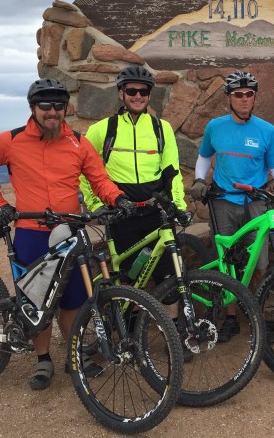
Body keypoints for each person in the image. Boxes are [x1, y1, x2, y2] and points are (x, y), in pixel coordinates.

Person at [0, 78, 137, 391]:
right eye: (45, 105)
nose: (52, 111)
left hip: (69, 231)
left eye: (58, 105)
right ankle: (42, 359)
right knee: (36, 302)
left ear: (65, 109)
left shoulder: (77, 142)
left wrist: (118, 199)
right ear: (33, 108)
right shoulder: (11, 141)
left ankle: (73, 355)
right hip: (32, 232)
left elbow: (99, 180)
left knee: (73, 299)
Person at [79, 64, 193, 359]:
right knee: (125, 280)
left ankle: (174, 338)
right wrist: (96, 205)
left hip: (155, 212)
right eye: (132, 91)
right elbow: (85, 170)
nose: (138, 96)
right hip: (121, 214)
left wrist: (178, 205)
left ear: (149, 95)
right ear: (121, 93)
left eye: (143, 92)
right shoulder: (102, 130)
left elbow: (171, 172)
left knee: (168, 277)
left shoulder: (160, 128)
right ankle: (125, 337)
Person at [190, 71, 274, 342]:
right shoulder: (215, 127)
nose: (244, 99)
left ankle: (259, 318)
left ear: (254, 97)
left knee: (260, 264)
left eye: (249, 94)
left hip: (256, 202)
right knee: (227, 262)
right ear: (229, 98)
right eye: (238, 95)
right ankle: (231, 318)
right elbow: (204, 157)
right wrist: (198, 179)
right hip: (223, 202)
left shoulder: (265, 130)